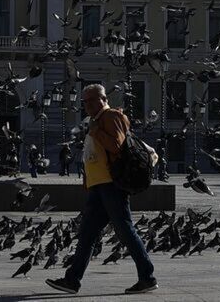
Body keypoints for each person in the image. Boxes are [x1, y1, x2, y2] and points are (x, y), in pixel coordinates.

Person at [47, 84, 157, 295]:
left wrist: (96, 132)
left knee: (125, 230)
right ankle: (72, 280)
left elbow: (116, 146)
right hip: (99, 187)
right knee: (87, 234)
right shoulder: (96, 121)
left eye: (90, 101)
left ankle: (147, 277)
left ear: (102, 98)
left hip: (112, 185)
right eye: (84, 102)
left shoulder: (111, 116)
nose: (86, 105)